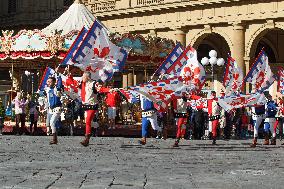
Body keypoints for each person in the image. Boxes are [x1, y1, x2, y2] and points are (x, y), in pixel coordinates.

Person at [80, 72, 107, 147]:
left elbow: (100, 89)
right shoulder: (83, 83)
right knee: (88, 122)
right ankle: (97, 125)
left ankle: (86, 139)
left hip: (92, 105)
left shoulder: (94, 83)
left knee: (88, 120)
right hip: (85, 105)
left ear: (88, 77)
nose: (82, 78)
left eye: (83, 77)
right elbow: (71, 82)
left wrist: (108, 90)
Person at [44, 75, 63, 144]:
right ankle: (55, 138)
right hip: (51, 109)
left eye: (50, 81)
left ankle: (55, 139)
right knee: (52, 123)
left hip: (57, 108)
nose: (48, 83)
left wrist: (59, 76)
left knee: (52, 122)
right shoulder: (47, 89)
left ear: (54, 82)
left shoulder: (56, 89)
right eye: (47, 81)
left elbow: (59, 85)